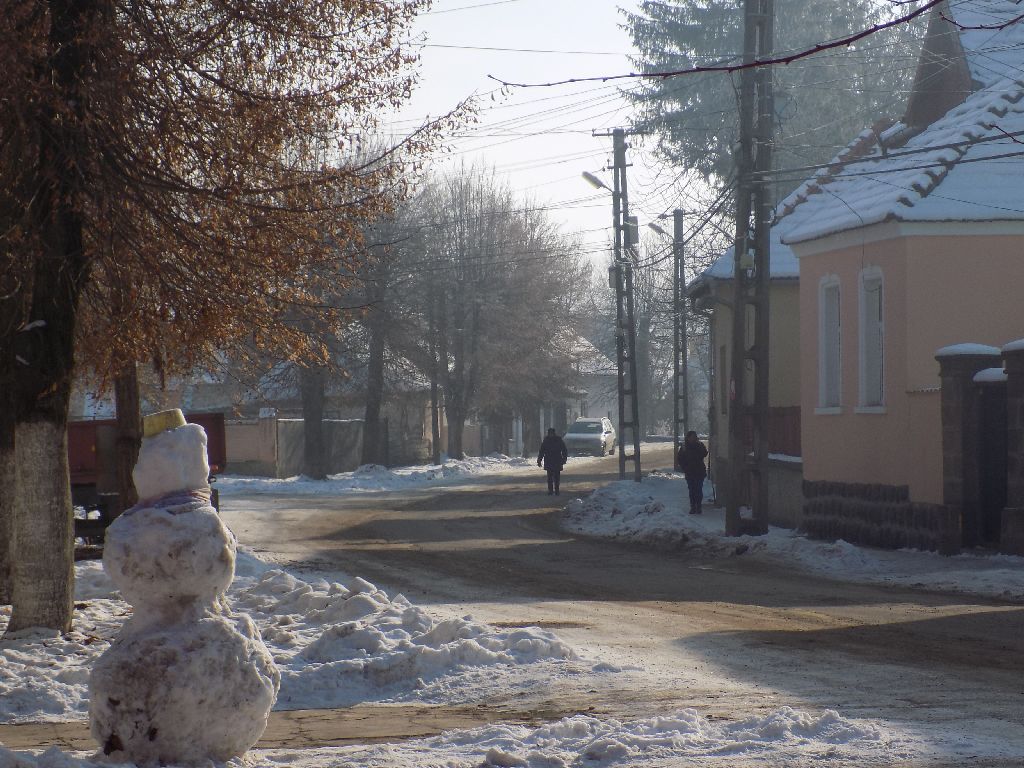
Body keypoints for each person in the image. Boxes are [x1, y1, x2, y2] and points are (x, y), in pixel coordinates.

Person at [677, 431, 708, 515]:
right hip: (690, 472)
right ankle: (693, 507)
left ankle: (699, 506)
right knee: (692, 490)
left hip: (699, 471)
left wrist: (701, 445)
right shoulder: (684, 447)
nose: (693, 438)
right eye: (692, 437)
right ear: (688, 437)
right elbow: (680, 458)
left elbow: (705, 453)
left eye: (694, 436)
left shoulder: (699, 445)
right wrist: (685, 467)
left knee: (698, 489)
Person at [537, 427, 568, 496]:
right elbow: (542, 451)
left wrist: (564, 458)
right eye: (550, 433)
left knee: (557, 477)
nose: (551, 435)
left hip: (557, 460)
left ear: (554, 433)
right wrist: (539, 460)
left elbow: (564, 450)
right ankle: (550, 490)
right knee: (549, 477)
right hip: (549, 460)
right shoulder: (546, 440)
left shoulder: (558, 440)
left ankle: (557, 490)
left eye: (552, 433)